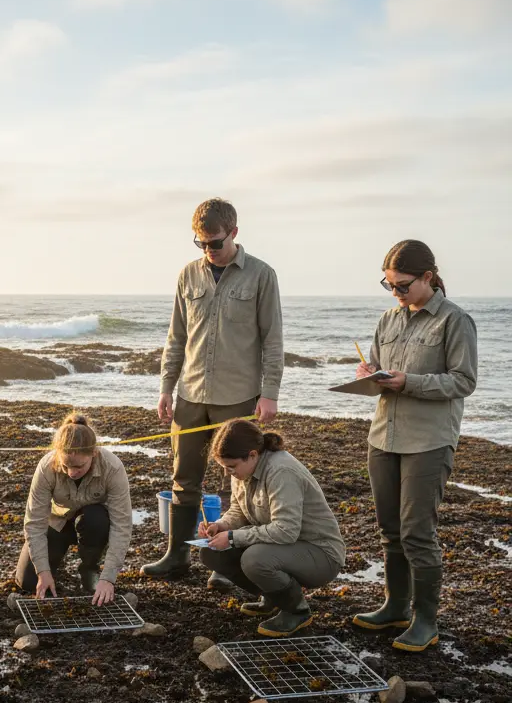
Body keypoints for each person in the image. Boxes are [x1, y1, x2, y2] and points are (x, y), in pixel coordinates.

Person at [143, 198, 284, 590]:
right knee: (183, 478)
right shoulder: (188, 275)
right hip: (189, 395)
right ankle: (176, 557)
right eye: (201, 243)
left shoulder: (261, 275)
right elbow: (176, 338)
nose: (209, 251)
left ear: (234, 233)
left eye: (215, 243)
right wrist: (166, 389)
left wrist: (269, 394)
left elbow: (273, 341)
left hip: (238, 397)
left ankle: (226, 566)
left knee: (237, 484)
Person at [351, 240, 477, 652]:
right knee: (390, 532)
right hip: (383, 437)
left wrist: (409, 382)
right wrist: (368, 375)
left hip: (429, 441)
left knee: (417, 533)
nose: (395, 294)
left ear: (428, 277)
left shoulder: (455, 321)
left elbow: (463, 382)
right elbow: (378, 375)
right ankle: (394, 606)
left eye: (403, 286)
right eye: (389, 286)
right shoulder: (388, 319)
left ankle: (426, 620)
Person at [198, 420, 345, 636]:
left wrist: (231, 537)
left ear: (253, 455)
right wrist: (221, 525)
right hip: (285, 546)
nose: (228, 473)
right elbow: (239, 511)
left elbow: (286, 530)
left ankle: (297, 611)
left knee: (255, 559)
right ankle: (274, 597)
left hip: (321, 554)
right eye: (224, 467)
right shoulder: (243, 471)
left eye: (231, 467)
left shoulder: (281, 471)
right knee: (211, 551)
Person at [15, 413, 132, 605]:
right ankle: (53, 565)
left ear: (93, 453)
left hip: (92, 525)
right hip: (58, 523)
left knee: (97, 517)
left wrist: (108, 578)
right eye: (66, 465)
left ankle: (89, 568)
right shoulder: (46, 467)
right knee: (27, 582)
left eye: (79, 466)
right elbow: (34, 522)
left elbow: (122, 526)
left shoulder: (113, 468)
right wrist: (43, 571)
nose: (71, 472)